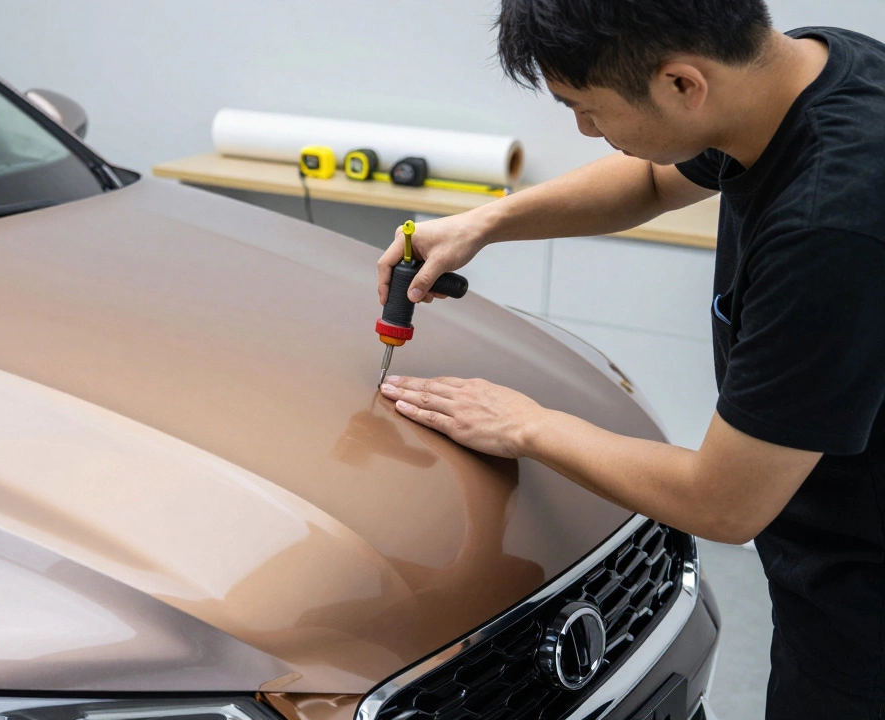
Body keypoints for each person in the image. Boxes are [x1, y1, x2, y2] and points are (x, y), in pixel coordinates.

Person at [375, 1, 885, 717]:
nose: (586, 130)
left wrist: (525, 425)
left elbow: (725, 501)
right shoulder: (805, 71)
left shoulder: (829, 229)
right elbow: (651, 182)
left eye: (587, 108)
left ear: (683, 84)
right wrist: (485, 221)